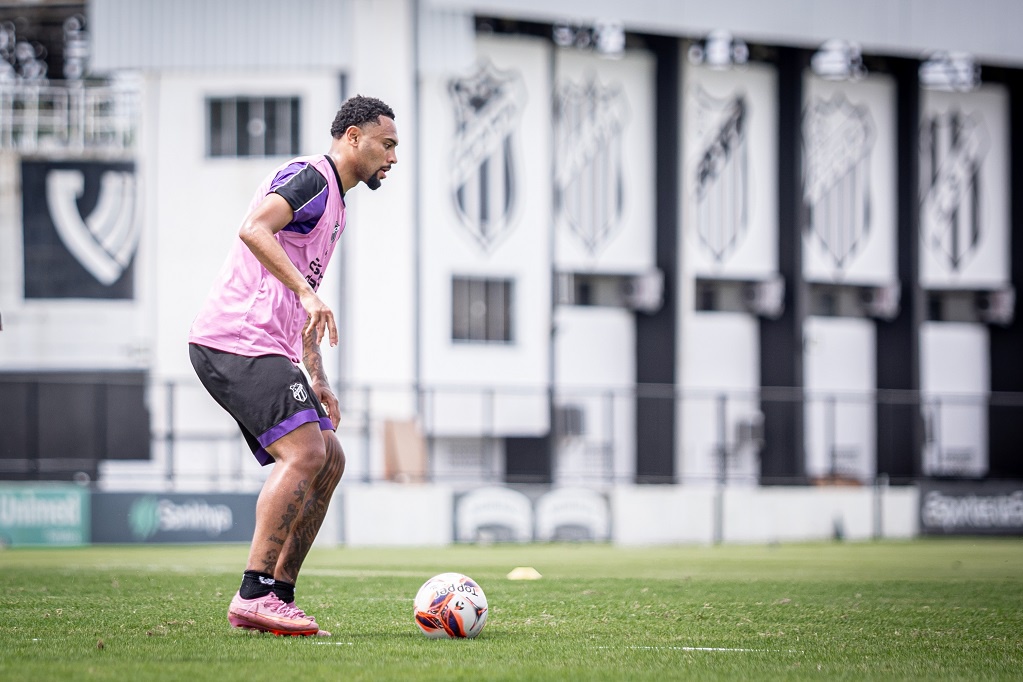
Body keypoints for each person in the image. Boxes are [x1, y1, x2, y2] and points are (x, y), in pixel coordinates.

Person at [188, 95, 398, 636]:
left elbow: (303, 299)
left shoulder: (336, 207)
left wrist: (317, 376)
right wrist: (306, 293)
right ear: (353, 137)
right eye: (387, 144)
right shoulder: (311, 177)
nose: (393, 158)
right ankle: (252, 592)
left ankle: (278, 596)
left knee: (329, 457)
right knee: (305, 451)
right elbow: (254, 229)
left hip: (267, 345)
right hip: (235, 337)